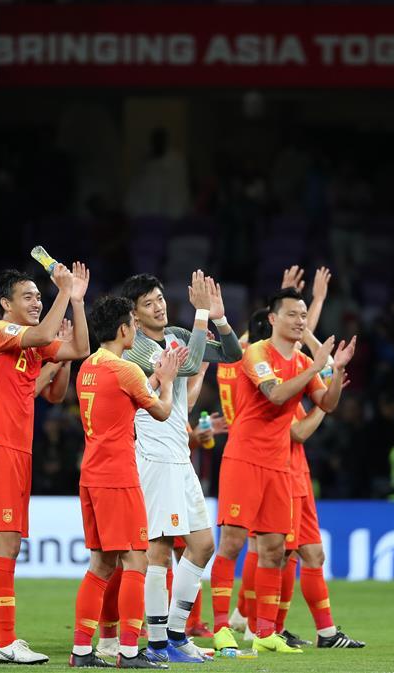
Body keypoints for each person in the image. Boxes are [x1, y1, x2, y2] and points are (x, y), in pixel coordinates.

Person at [210, 287, 355, 654]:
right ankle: (221, 627)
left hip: (279, 465)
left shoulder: (306, 363)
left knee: (275, 549)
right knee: (232, 543)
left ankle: (264, 633)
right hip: (244, 458)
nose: (300, 321)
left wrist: (334, 372)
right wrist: (313, 367)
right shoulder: (256, 352)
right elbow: (274, 394)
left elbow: (327, 403)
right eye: (292, 314)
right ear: (273, 319)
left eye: (304, 315)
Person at [0, 264, 91, 665]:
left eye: (40, 295)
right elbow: (40, 335)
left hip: (15, 450)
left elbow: (77, 354)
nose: (37, 301)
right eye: (29, 296)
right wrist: (62, 292)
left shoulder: (31, 347)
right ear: (6, 304)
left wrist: (76, 301)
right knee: (4, 543)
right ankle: (5, 639)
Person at [119, 271, 242, 664]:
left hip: (179, 456)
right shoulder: (135, 350)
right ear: (135, 317)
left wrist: (218, 317)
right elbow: (187, 370)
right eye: (149, 303)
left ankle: (174, 634)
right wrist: (201, 314)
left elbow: (231, 355)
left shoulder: (174, 333)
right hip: (153, 457)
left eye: (160, 297)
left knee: (204, 544)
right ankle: (156, 643)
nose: (160, 305)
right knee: (159, 548)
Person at [70, 295, 181, 669]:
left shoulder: (87, 367)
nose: (136, 329)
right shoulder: (125, 370)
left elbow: (120, 401)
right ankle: (130, 652)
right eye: (132, 324)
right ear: (123, 329)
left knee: (100, 564)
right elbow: (163, 412)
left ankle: (82, 651)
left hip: (91, 475)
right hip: (118, 475)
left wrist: (151, 380)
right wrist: (165, 381)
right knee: (137, 559)